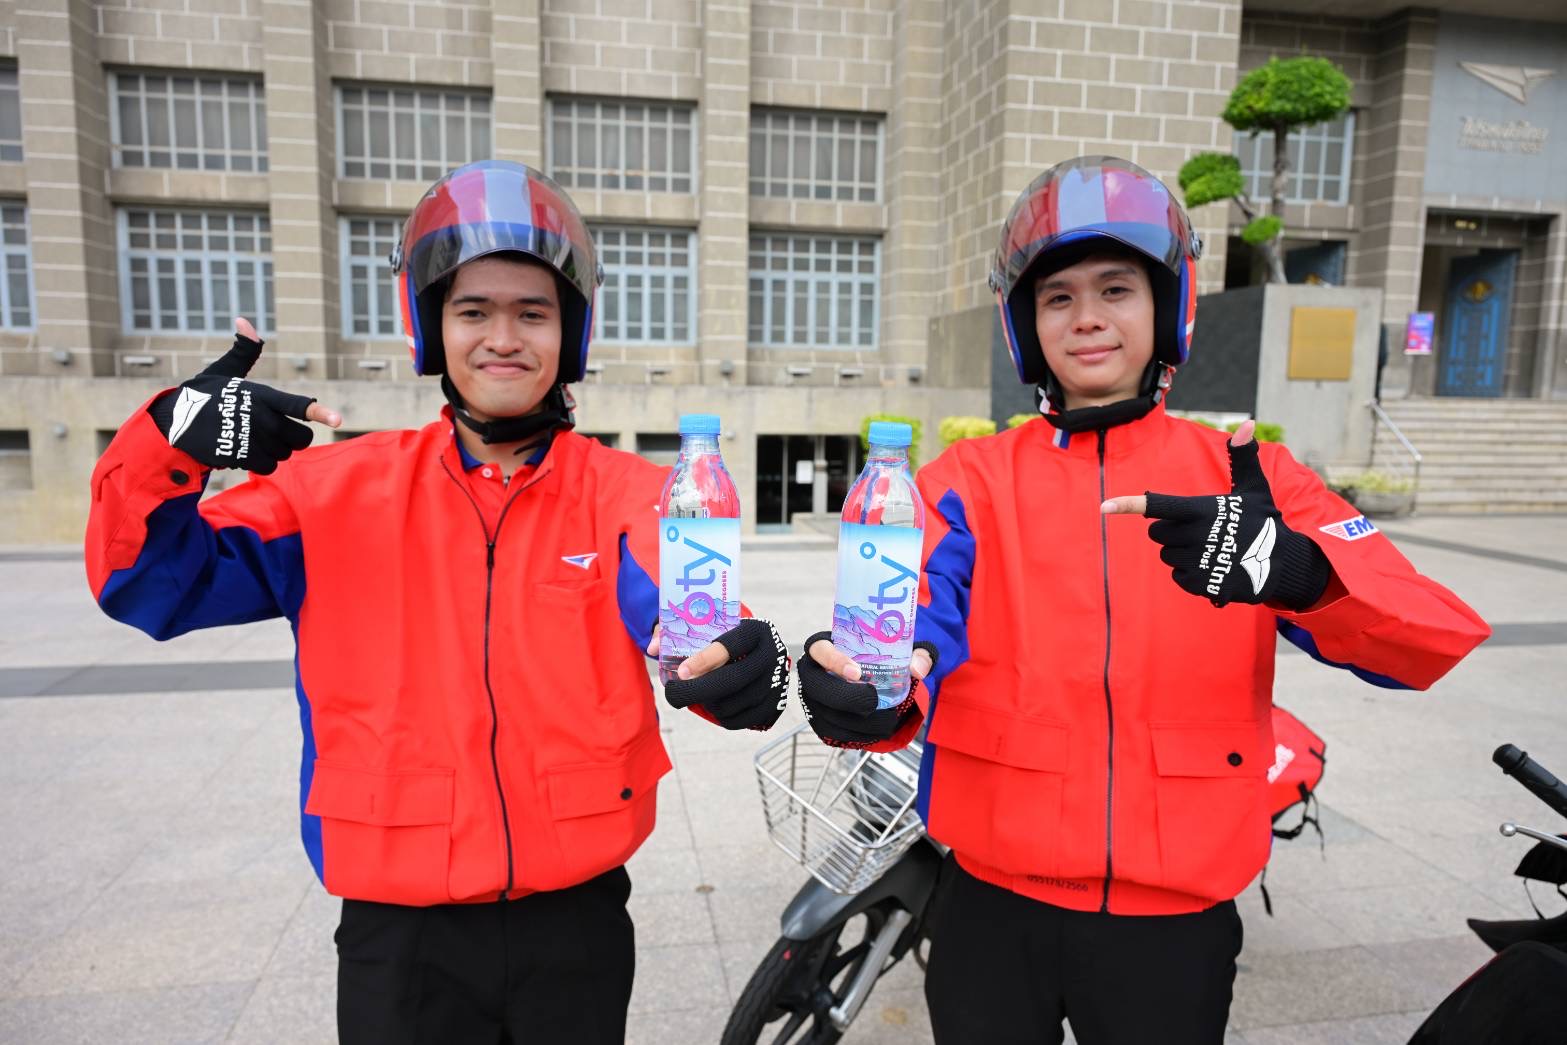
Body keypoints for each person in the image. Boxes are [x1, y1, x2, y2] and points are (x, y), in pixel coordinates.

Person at [85, 160, 789, 1044]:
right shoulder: (330, 491)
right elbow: (147, 582)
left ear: (569, 331)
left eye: (532, 313)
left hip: (575, 923)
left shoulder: (627, 493)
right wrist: (168, 443)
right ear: (431, 327)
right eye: (473, 311)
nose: (504, 337)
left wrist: (738, 660)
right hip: (399, 934)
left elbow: (689, 617)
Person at [796, 156, 1491, 1044]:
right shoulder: (967, 479)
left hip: (1174, 916)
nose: (1086, 316)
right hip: (988, 900)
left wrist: (1300, 571)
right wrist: (868, 685)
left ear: (1167, 305)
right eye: (1057, 297)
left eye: (1116, 289)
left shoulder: (1247, 477)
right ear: (1025, 324)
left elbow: (1428, 635)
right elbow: (914, 624)